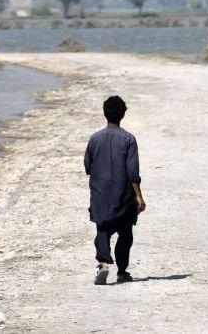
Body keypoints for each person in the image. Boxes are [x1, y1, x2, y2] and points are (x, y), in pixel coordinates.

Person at [84, 95, 146, 285]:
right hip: (123, 196)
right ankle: (121, 271)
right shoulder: (129, 139)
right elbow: (132, 173)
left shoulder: (94, 139)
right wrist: (139, 197)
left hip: (100, 195)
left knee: (102, 230)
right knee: (125, 233)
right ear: (123, 114)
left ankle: (103, 263)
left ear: (105, 114)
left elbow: (87, 166)